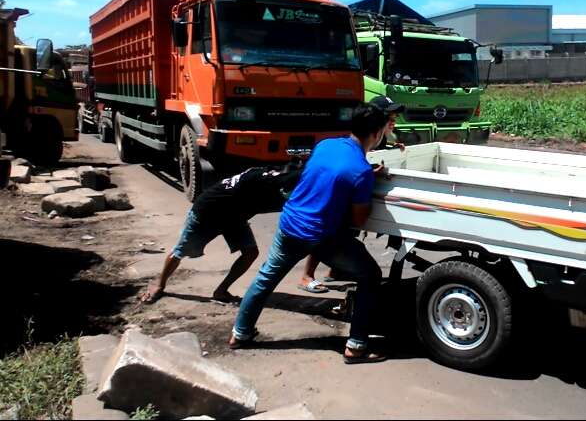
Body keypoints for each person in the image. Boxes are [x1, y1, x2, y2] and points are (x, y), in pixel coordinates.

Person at [229, 104, 390, 363]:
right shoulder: (361, 171)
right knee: (370, 275)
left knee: (266, 278)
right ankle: (356, 346)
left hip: (289, 223)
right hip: (322, 236)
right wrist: (368, 186)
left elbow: (328, 174)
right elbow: (360, 219)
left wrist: (363, 177)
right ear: (377, 132)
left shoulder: (326, 145)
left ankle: (240, 333)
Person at [139, 161, 304, 305]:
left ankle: (221, 291)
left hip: (234, 218)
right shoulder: (261, 179)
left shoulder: (268, 173)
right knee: (180, 252)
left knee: (250, 252)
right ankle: (159, 285)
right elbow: (289, 178)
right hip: (206, 216)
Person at [298, 96, 404, 292]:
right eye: (390, 116)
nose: (393, 120)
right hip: (335, 199)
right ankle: (307, 275)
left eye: (395, 116)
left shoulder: (383, 138)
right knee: (330, 229)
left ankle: (334, 271)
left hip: (354, 191)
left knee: (345, 231)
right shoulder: (363, 137)